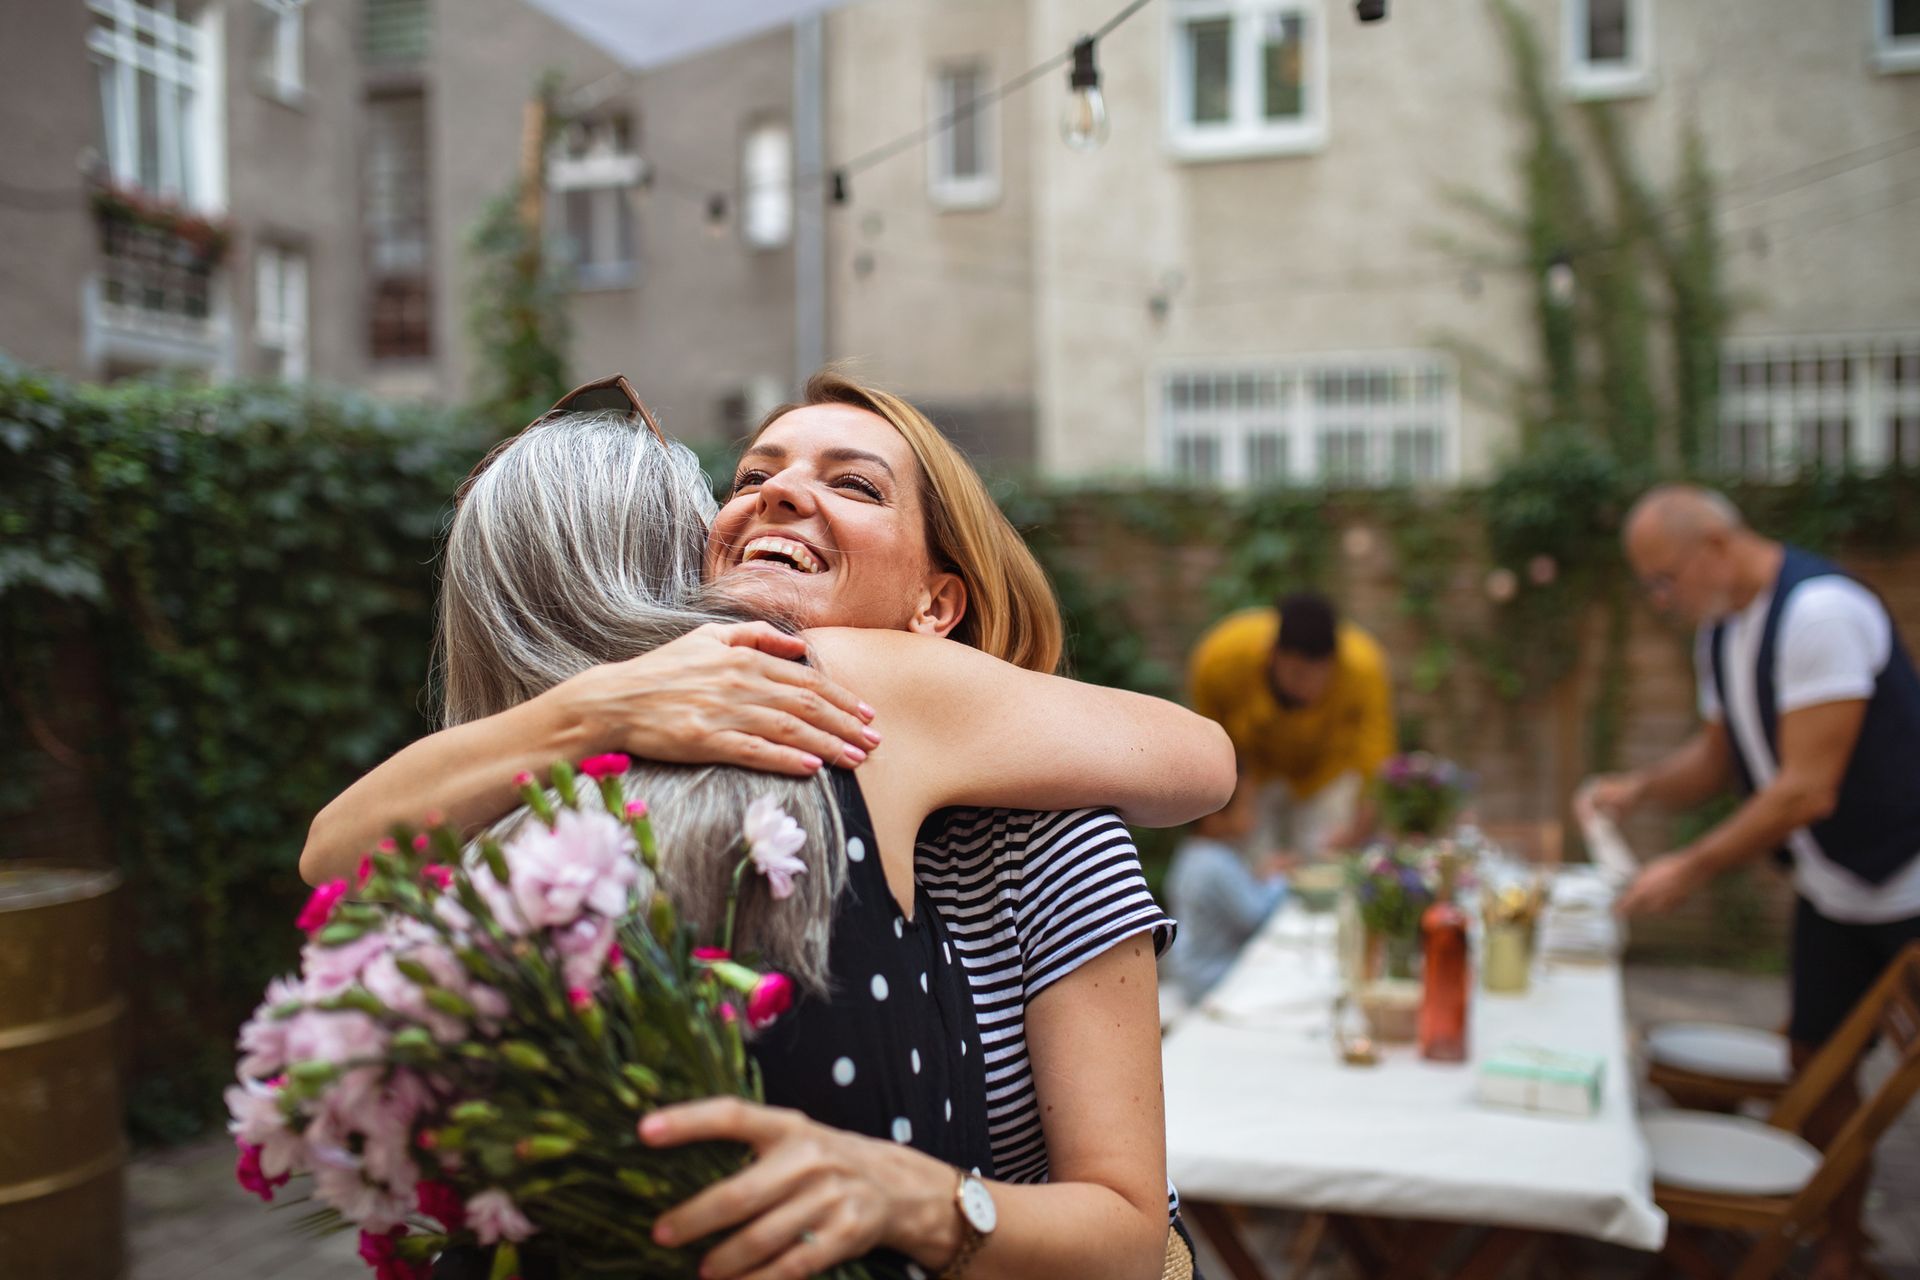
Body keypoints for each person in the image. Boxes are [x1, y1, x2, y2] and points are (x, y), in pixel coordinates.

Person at [304, 372, 1233, 1279]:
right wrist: (602, 708)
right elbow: (335, 854)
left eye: (855, 483)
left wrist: (918, 1200)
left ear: (936, 607)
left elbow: (1125, 1237)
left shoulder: (1035, 821)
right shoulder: (677, 742)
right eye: (751, 478)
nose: (779, 492)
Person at [1579, 484, 1920, 1280]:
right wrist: (1641, 790)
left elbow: (1806, 789)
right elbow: (1719, 757)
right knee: (1814, 1058)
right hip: (1835, 886)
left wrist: (1691, 868)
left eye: (1665, 579)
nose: (1661, 599)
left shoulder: (1820, 614)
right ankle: (1841, 1240)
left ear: (1717, 547)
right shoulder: (1724, 632)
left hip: (1907, 874)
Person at [1187, 590, 1396, 857]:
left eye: (1322, 676)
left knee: (1326, 860)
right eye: (1298, 674)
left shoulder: (1364, 667)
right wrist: (1226, 809)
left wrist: (1357, 831)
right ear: (1273, 653)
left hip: (1325, 772)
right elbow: (1208, 742)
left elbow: (1376, 760)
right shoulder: (1220, 659)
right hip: (1252, 772)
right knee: (1251, 859)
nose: (1310, 688)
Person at [1161, 775, 1289, 1002]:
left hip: (1192, 972)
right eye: (1246, 806)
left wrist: (1259, 878)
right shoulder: (1215, 862)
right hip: (1212, 978)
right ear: (1213, 814)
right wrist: (1277, 879)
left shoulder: (1195, 851)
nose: (1253, 817)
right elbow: (1256, 917)